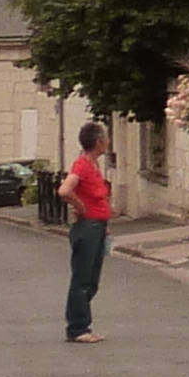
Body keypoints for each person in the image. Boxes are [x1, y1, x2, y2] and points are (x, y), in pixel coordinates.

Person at [63, 123, 114, 343]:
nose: (108, 143)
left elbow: (98, 197)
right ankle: (78, 328)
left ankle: (81, 323)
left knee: (92, 281)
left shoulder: (93, 165)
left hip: (98, 226)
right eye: (105, 139)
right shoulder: (82, 165)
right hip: (88, 227)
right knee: (82, 279)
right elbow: (65, 190)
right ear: (98, 143)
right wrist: (80, 206)